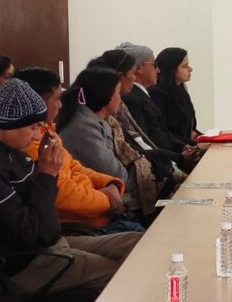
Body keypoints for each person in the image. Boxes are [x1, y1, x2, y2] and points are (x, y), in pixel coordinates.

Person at [0, 78, 141, 296]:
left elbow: (43, 219)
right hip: (25, 265)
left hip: (50, 245)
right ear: (8, 126)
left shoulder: (7, 148)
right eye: (32, 127)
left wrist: (48, 174)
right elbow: (31, 232)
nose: (36, 134)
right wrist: (48, 174)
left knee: (138, 244)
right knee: (124, 274)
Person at [15, 67, 144, 235]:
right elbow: (64, 195)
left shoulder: (46, 131)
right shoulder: (31, 141)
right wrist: (107, 199)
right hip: (81, 224)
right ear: (38, 102)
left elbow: (74, 166)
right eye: (57, 99)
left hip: (97, 211)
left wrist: (111, 184)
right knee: (142, 238)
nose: (60, 105)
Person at [85, 54, 184, 224]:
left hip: (124, 183)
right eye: (132, 73)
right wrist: (175, 159)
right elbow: (117, 169)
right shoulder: (90, 124)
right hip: (114, 197)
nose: (158, 70)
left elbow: (142, 141)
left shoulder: (116, 110)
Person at [118, 43, 201, 166]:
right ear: (139, 68)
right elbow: (146, 141)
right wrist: (180, 157)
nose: (158, 70)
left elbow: (163, 132)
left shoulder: (145, 94)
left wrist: (185, 146)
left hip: (171, 156)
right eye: (154, 65)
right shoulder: (133, 98)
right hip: (164, 163)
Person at [56, 67, 130, 187]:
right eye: (118, 92)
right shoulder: (83, 128)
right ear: (107, 95)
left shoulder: (100, 121)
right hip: (94, 192)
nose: (120, 99)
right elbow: (117, 175)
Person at [150, 48, 201, 146]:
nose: (190, 69)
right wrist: (194, 144)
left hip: (187, 145)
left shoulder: (180, 90)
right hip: (176, 149)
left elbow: (189, 129)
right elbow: (164, 132)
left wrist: (204, 138)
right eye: (185, 66)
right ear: (171, 69)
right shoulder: (157, 94)